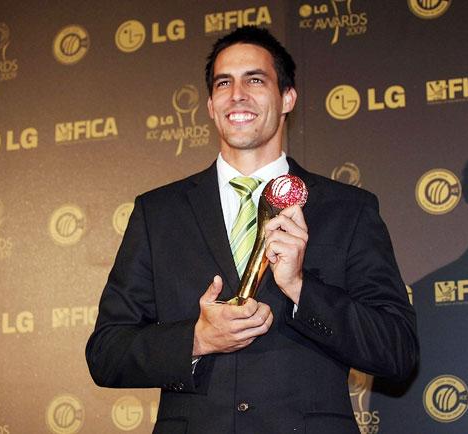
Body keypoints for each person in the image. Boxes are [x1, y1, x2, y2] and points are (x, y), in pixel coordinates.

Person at [86, 26, 418, 434]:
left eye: (255, 80)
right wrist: (196, 339)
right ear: (210, 105)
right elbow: (106, 353)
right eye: (223, 83)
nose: (237, 94)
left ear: (287, 98)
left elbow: (397, 351)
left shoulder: (348, 209)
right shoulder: (158, 213)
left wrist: (300, 288)